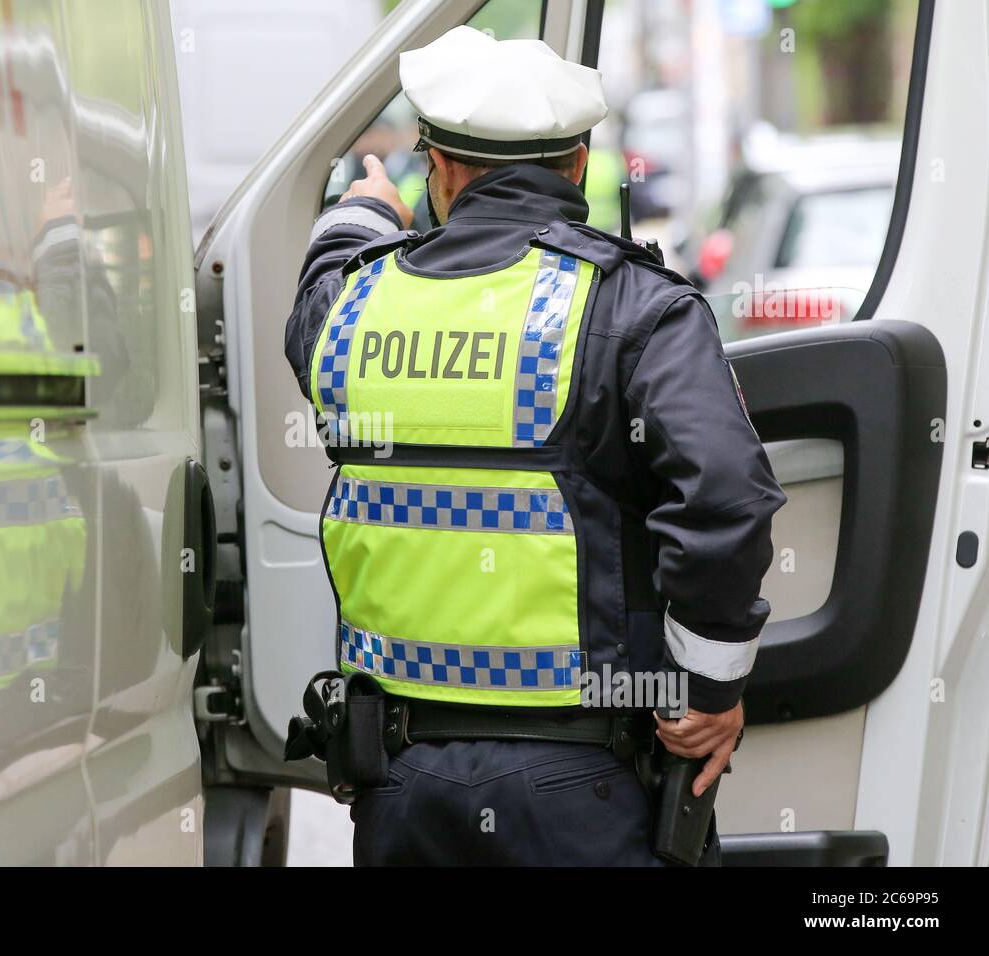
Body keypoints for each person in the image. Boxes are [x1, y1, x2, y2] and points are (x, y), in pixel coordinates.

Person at [283, 26, 785, 866]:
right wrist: (705, 691)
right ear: (580, 166)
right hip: (583, 788)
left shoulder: (355, 308)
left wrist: (363, 212)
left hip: (401, 785)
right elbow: (726, 495)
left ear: (437, 170)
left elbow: (312, 307)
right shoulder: (634, 308)